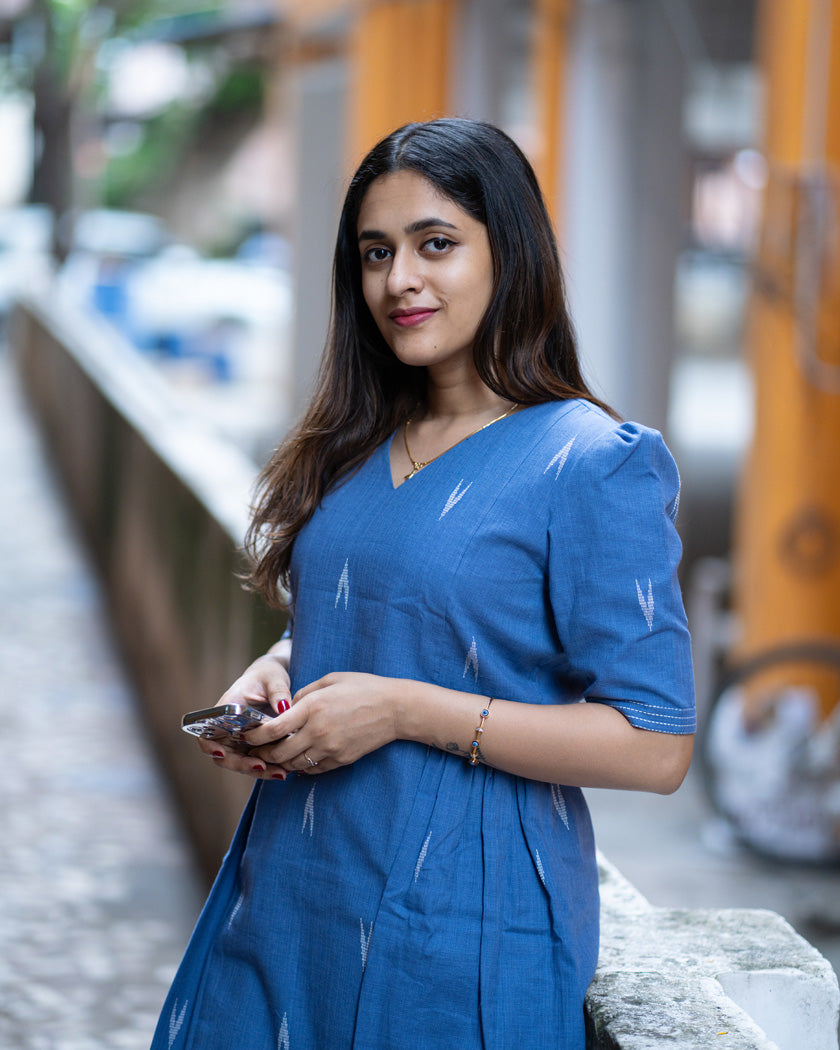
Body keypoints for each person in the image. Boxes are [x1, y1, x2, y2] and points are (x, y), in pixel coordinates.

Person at [151, 118, 695, 1050]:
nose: (398, 279)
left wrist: (404, 710)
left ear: (510, 252)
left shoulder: (592, 463)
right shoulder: (357, 441)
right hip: (290, 888)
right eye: (375, 253)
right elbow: (405, 608)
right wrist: (280, 663)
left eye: (435, 244)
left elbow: (656, 744)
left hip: (462, 924)